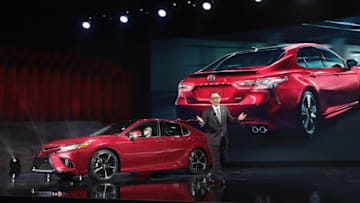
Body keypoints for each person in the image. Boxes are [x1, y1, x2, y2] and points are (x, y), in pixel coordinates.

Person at [196, 91, 247, 183]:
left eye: (217, 98)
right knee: (216, 159)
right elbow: (204, 123)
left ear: (220, 99)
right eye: (213, 98)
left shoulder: (224, 109)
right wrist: (201, 122)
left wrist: (238, 119)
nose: (216, 100)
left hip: (224, 138)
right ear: (210, 100)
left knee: (222, 158)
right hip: (213, 139)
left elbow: (230, 120)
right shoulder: (207, 111)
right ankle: (218, 178)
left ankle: (211, 174)